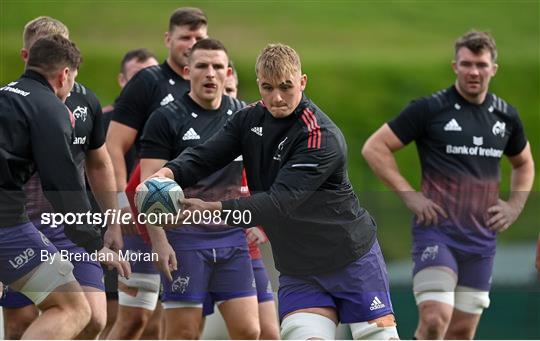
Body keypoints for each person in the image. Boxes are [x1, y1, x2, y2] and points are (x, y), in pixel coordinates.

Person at [146, 43, 399, 340]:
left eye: (286, 87)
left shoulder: (320, 136)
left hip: (351, 259)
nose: (276, 98)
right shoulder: (249, 118)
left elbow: (278, 203)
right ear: (258, 84)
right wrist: (166, 173)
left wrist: (212, 209)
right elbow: (205, 155)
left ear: (302, 82)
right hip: (300, 269)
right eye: (267, 88)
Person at [362, 30, 535, 339]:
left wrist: (514, 206)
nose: (474, 72)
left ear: (493, 68)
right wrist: (410, 196)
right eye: (466, 64)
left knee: (461, 333)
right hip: (437, 233)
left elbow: (523, 163)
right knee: (433, 320)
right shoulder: (430, 109)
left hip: (481, 241)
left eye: (481, 65)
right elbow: (375, 147)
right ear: (455, 66)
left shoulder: (506, 116)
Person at [0, 16, 128, 340]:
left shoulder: (7, 96)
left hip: (20, 223)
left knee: (88, 315)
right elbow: (63, 186)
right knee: (75, 309)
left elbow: (97, 165)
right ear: (64, 74)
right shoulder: (50, 108)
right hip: (10, 222)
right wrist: (95, 243)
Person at [140, 38, 260, 340]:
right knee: (183, 334)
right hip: (185, 240)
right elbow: (147, 187)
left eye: (217, 66)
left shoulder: (244, 116)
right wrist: (159, 241)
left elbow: (260, 175)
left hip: (232, 237)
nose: (210, 73)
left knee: (250, 330)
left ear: (228, 72)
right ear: (186, 70)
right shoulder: (165, 118)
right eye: (202, 66)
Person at [105, 7, 208, 339]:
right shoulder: (149, 82)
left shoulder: (211, 82)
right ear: (168, 39)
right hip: (143, 214)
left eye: (199, 38)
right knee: (135, 318)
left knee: (179, 318)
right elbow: (113, 146)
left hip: (189, 218)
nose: (192, 45)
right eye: (185, 38)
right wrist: (121, 203)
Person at [99, 47, 159, 340]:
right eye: (137, 76)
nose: (145, 83)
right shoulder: (103, 120)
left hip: (154, 227)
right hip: (115, 228)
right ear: (122, 81)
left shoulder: (168, 117)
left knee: (156, 323)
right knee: (117, 318)